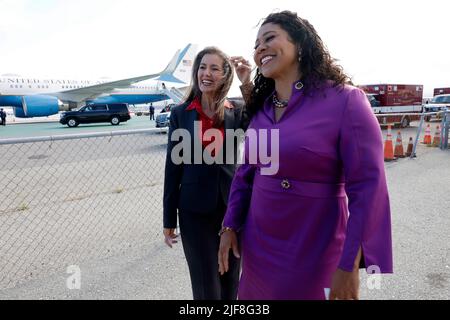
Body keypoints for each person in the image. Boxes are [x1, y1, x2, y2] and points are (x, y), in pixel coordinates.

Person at [218, 10, 393, 300]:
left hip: (314, 246)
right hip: (259, 247)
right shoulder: (262, 111)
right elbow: (245, 175)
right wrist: (229, 225)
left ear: (300, 43)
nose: (260, 47)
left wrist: (349, 264)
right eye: (256, 44)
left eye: (269, 38)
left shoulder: (346, 101)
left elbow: (368, 189)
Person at [162, 47, 252, 300]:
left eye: (214, 68)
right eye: (202, 67)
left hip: (232, 210)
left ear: (225, 76)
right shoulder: (181, 113)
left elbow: (261, 120)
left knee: (230, 281)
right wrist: (169, 219)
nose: (206, 73)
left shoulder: (236, 109)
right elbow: (173, 168)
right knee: (205, 286)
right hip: (194, 212)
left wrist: (247, 81)